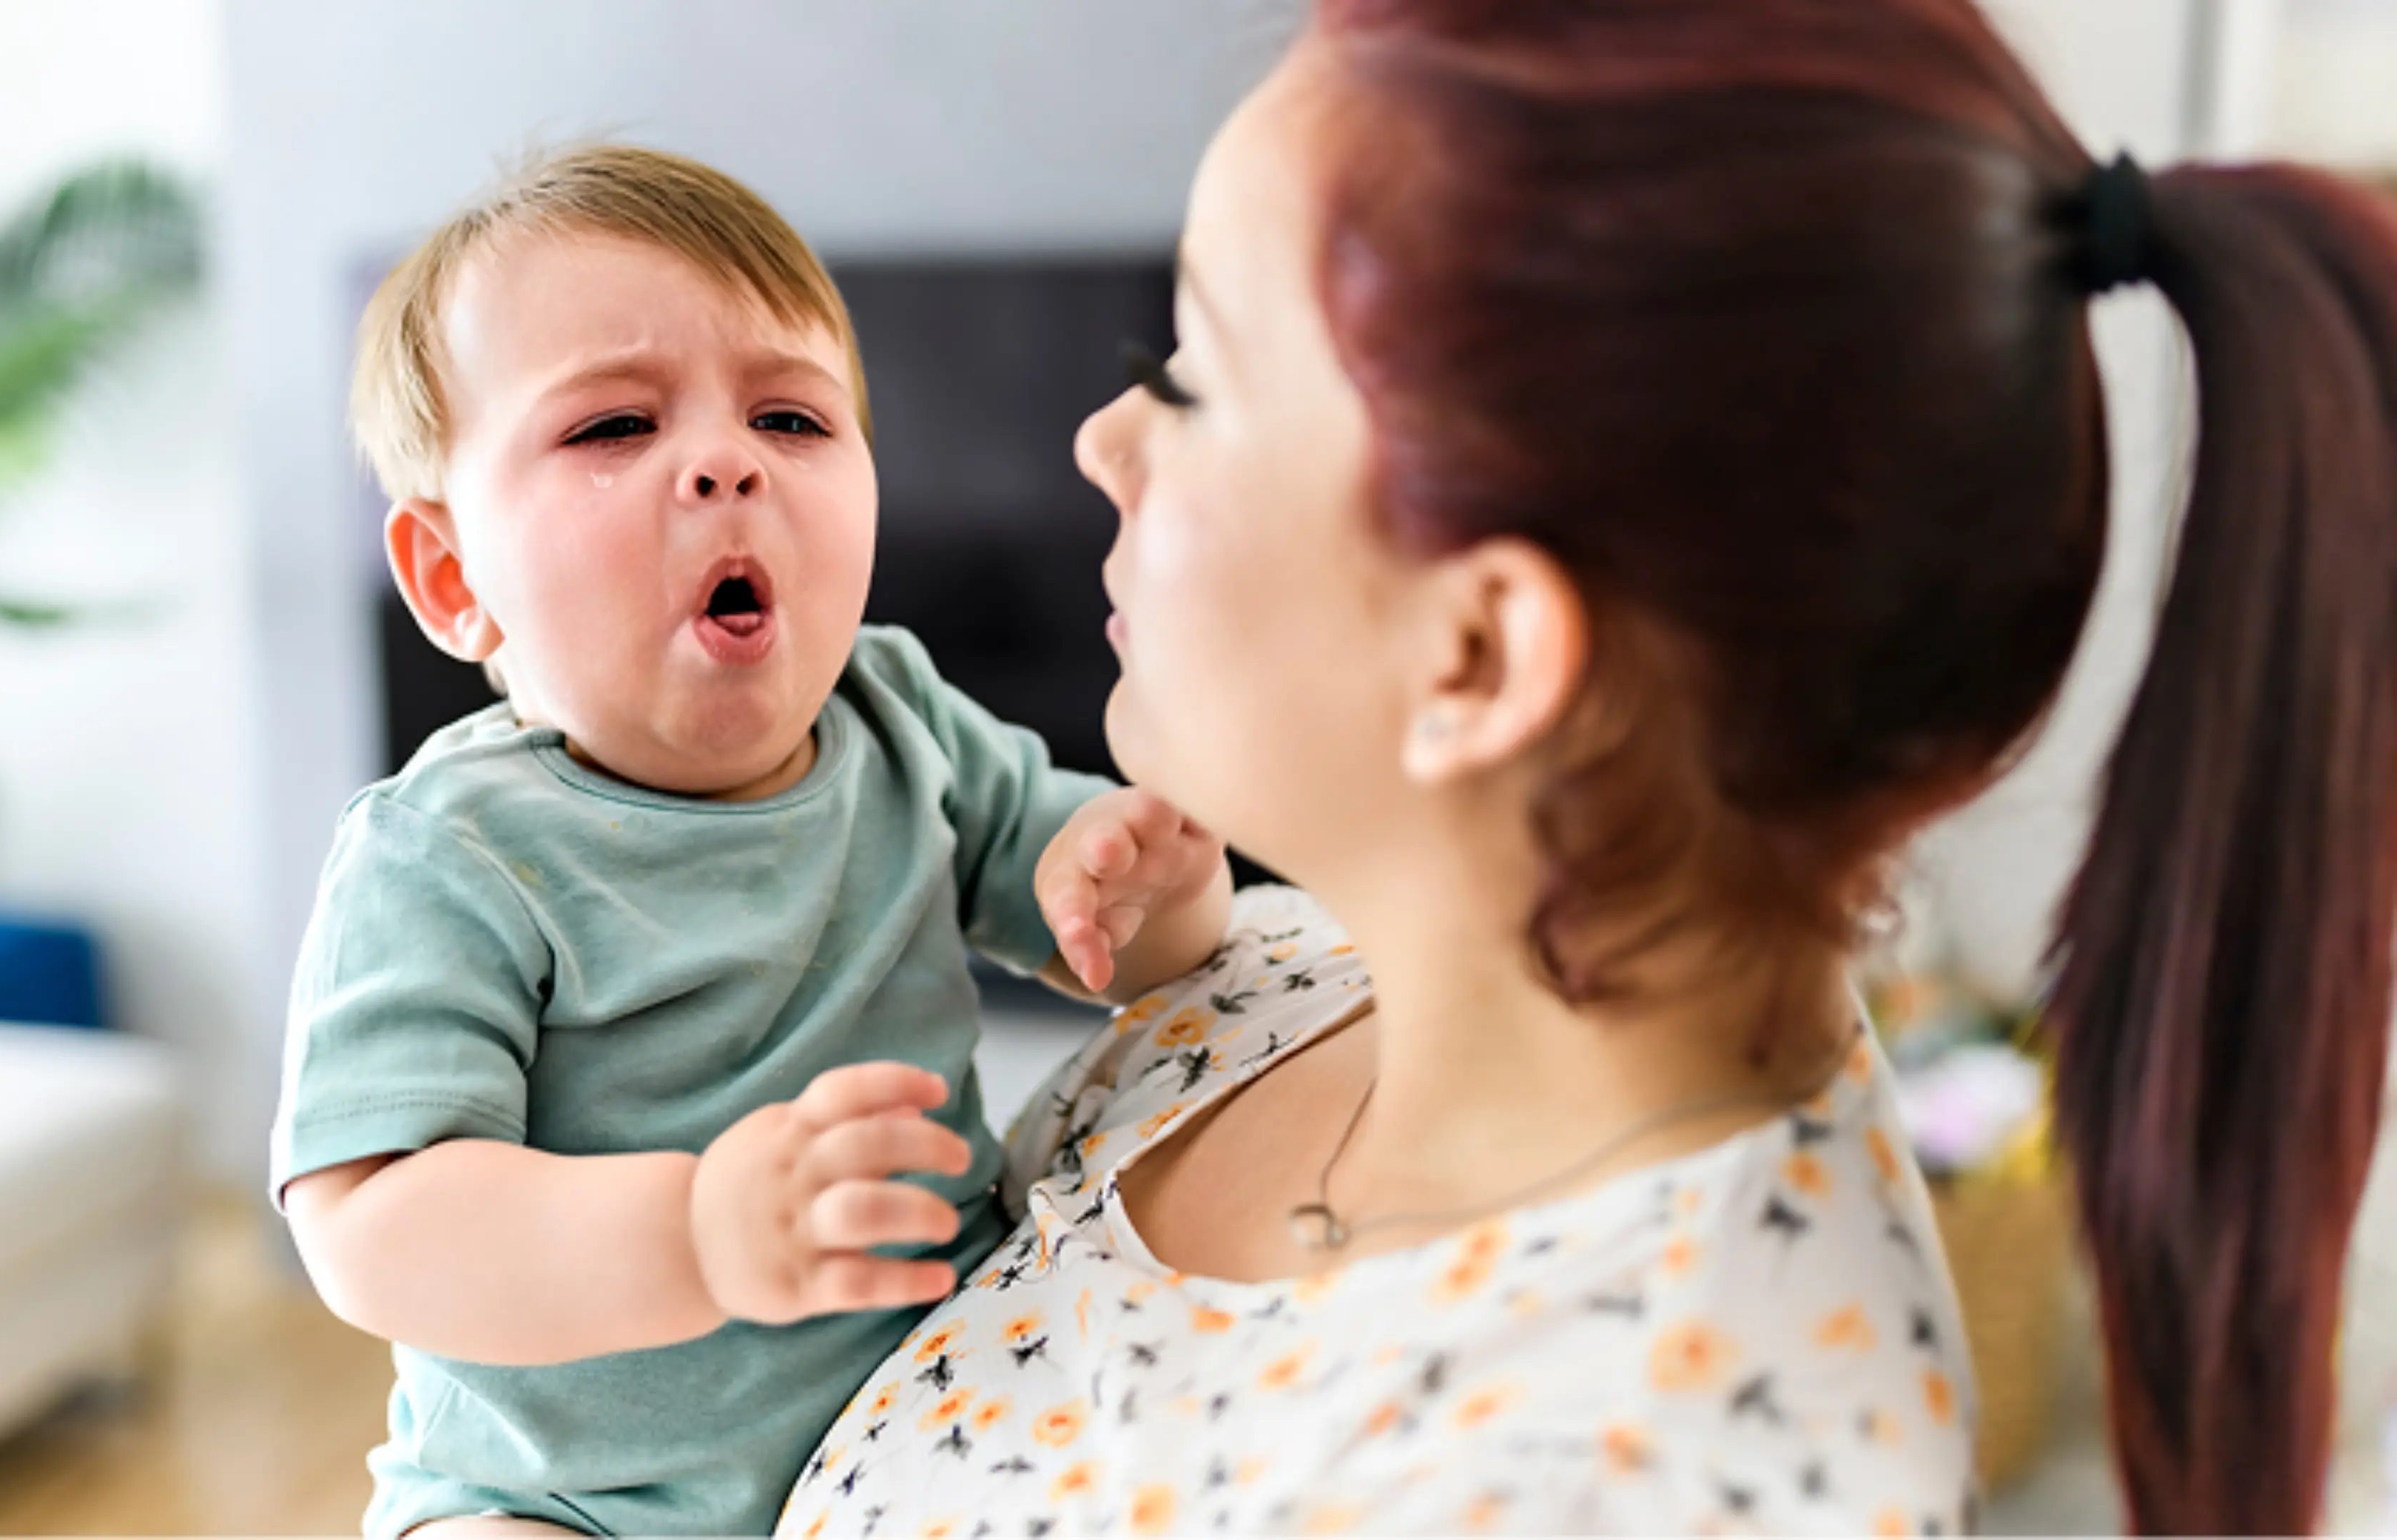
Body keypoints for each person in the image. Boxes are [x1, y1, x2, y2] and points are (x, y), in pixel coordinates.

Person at [778, 0, 2397, 1533]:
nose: (1103, 439)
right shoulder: (1321, 977)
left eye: (1195, 375)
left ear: (1480, 656)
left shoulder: (1622, 1477)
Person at [270, 144, 1233, 1539]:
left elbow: (1111, 942)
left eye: (789, 417)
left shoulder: (900, 715)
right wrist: (695, 1233)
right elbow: (370, 1226)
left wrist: (1163, 887)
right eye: (614, 427)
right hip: (567, 1499)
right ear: (453, 574)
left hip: (933, 1409)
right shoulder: (445, 852)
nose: (727, 462)